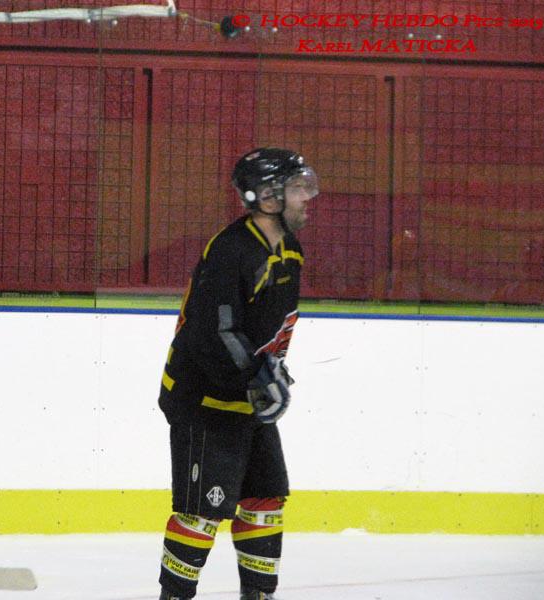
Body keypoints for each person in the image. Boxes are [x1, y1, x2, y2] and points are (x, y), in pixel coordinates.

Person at [156, 148, 319, 600]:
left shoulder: (290, 250)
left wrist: (272, 370)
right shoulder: (231, 251)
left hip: (246, 395)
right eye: (298, 187)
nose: (308, 196)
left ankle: (259, 594)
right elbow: (214, 333)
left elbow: (267, 327)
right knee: (201, 511)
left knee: (266, 498)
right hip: (204, 398)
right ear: (267, 196)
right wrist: (257, 375)